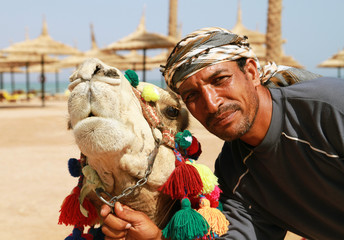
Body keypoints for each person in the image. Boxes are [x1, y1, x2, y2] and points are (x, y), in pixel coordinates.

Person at [100, 27, 344, 240]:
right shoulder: (234, 174)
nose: (212, 104)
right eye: (192, 96)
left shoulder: (330, 110)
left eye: (220, 79)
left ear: (251, 72)